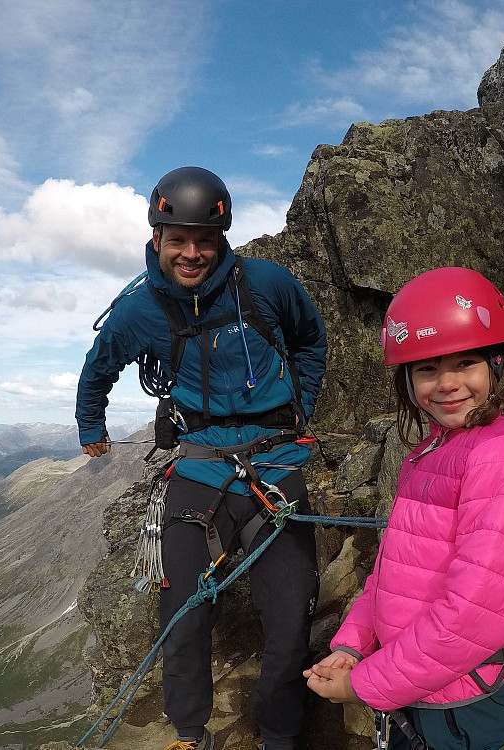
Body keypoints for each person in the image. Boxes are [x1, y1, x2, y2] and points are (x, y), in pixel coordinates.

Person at [76, 166, 328, 750]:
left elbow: (310, 339)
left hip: (276, 459)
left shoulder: (265, 285)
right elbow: (99, 368)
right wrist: (92, 425)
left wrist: (300, 409)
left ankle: (279, 736)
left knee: (292, 616)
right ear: (156, 238)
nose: (191, 253)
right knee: (183, 615)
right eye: (177, 240)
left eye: (203, 241)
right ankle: (191, 735)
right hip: (196, 467)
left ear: (222, 240)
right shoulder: (139, 311)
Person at [304, 267, 504, 750]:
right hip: (418, 692)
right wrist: (354, 645)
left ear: (497, 365)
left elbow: (474, 615)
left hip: (462, 710)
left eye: (465, 364)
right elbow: (392, 572)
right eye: (426, 368)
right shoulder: (434, 451)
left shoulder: (502, 459)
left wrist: (364, 684)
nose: (446, 384)